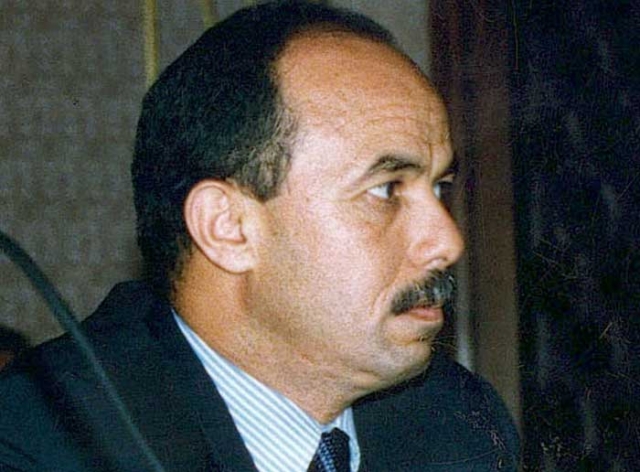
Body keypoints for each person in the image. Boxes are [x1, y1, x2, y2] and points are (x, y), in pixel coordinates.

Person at [0, 2, 519, 470]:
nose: (447, 240)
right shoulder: (39, 441)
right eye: (385, 191)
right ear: (227, 228)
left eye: (439, 187)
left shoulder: (457, 424)